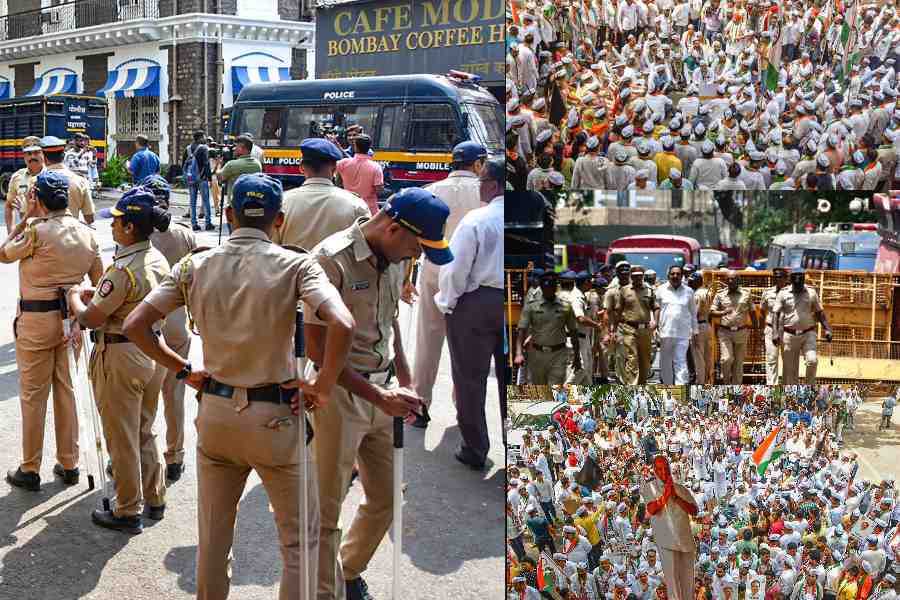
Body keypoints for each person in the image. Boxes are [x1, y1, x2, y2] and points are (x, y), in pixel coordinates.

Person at [123, 173, 355, 599]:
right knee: (298, 545)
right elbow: (341, 322)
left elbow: (136, 324)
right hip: (277, 419)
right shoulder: (296, 264)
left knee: (213, 542)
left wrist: (183, 369)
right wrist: (321, 387)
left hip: (216, 412)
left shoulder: (195, 264)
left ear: (228, 214)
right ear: (279, 220)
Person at [304, 187, 447, 600]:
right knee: (326, 508)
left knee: (385, 499)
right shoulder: (330, 259)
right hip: (340, 393)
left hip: (384, 390)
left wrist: (403, 374)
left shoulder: (396, 257)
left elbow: (390, 319)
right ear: (394, 226)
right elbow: (316, 347)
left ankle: (347, 570)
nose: (416, 257)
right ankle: (324, 589)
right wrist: (377, 394)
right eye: (417, 246)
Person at [65, 188, 171, 533]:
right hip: (152, 349)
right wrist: (97, 296)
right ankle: (155, 498)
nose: (112, 227)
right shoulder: (156, 259)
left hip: (122, 355)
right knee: (144, 429)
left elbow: (92, 318)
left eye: (118, 222)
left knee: (121, 436)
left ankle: (127, 509)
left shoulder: (122, 268)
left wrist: (74, 300)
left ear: (129, 228)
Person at [1, 171, 103, 491]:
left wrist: (26, 217)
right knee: (67, 392)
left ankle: (30, 468)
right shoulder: (88, 235)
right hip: (70, 324)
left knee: (33, 397)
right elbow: (98, 287)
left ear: (40, 200)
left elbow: (3, 253)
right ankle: (69, 462)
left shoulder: (36, 232)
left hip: (35, 322)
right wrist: (79, 320)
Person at [435, 157, 503, 470]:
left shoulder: (478, 220)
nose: (480, 185)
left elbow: (456, 268)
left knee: (470, 379)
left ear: (495, 185)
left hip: (476, 304)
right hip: (513, 302)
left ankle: (475, 449)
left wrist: (447, 302)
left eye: (483, 180)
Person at [413, 140, 487, 427]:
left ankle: (420, 403)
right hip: (471, 275)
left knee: (427, 340)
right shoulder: (485, 193)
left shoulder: (432, 191)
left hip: (434, 268)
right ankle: (463, 407)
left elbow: (415, 238)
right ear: (478, 164)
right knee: (465, 345)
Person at [140, 174, 199, 482]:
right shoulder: (184, 234)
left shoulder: (139, 232)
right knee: (174, 396)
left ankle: (137, 453)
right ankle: (174, 456)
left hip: (148, 325)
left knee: (142, 396)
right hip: (178, 325)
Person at [640, 455, 698, 600]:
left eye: (666, 469)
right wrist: (665, 496)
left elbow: (694, 510)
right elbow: (652, 509)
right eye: (660, 469)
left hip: (685, 539)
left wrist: (675, 496)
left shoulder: (680, 488)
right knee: (672, 582)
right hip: (666, 540)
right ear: (654, 470)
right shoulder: (649, 487)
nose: (664, 473)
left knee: (688, 580)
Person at [515, 271, 581, 385]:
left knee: (555, 389)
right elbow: (521, 330)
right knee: (540, 391)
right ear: (542, 287)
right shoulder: (531, 305)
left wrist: (577, 356)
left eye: (551, 286)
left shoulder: (565, 306)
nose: (549, 290)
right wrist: (519, 353)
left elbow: (573, 331)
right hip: (536, 355)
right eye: (546, 287)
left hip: (558, 354)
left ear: (556, 287)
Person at [773, 268, 833, 385]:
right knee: (790, 371)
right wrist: (775, 333)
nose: (798, 282)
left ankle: (809, 388)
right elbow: (776, 314)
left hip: (808, 334)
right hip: (789, 336)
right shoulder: (783, 293)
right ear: (790, 280)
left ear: (804, 279)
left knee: (812, 360)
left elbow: (819, 312)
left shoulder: (811, 292)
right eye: (795, 280)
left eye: (801, 279)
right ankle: (794, 395)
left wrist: (827, 329)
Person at [608, 265, 657, 384]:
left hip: (645, 330)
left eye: (640, 276)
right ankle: (631, 387)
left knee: (644, 360)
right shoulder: (624, 290)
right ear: (631, 276)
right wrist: (614, 330)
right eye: (635, 276)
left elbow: (655, 307)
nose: (637, 278)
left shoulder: (649, 290)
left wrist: (655, 321)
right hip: (629, 329)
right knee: (632, 358)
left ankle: (641, 385)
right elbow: (618, 311)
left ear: (643, 276)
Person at [710, 270, 759, 383]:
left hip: (741, 332)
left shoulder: (746, 294)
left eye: (733, 279)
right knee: (726, 359)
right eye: (728, 279)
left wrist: (756, 330)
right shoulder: (720, 294)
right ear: (725, 281)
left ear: (738, 280)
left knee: (738, 363)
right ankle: (726, 383)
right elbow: (712, 312)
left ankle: (736, 388)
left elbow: (752, 312)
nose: (730, 281)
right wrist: (722, 313)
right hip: (725, 332)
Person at [655, 265, 698, 384]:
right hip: (665, 332)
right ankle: (668, 388)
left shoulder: (689, 292)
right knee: (666, 363)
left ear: (682, 276)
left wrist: (695, 331)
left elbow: (693, 313)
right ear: (668, 276)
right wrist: (655, 326)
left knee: (680, 361)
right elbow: (655, 309)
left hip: (683, 334)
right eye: (672, 274)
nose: (675, 276)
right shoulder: (661, 290)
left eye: (678, 274)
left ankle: (680, 390)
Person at [41, 136, 95, 225]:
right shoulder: (81, 182)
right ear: (63, 156)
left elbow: (25, 215)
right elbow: (90, 218)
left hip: (44, 236)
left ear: (44, 159)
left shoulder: (35, 182)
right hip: (71, 235)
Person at [214, 134, 262, 225]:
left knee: (235, 235)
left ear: (242, 149)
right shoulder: (257, 164)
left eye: (236, 146)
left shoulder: (232, 165)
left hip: (236, 206)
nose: (234, 149)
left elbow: (220, 178)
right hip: (252, 205)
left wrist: (218, 165)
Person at [335, 134, 384, 215]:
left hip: (347, 208)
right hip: (369, 210)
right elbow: (379, 189)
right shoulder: (376, 167)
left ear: (355, 146)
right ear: (369, 147)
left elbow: (337, 183)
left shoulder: (343, 163)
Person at [6, 136, 45, 234]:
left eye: (36, 153)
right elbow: (9, 206)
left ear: (43, 154)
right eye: (29, 154)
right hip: (25, 234)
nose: (32, 157)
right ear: (24, 157)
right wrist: (11, 232)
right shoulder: (17, 177)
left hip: (48, 235)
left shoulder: (53, 176)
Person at [183, 130, 214, 232]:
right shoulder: (203, 148)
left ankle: (194, 223)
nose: (205, 138)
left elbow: (183, 165)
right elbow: (206, 164)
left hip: (191, 179)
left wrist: (186, 178)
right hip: (202, 178)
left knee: (192, 201)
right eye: (204, 136)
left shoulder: (187, 149)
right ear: (200, 137)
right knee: (205, 201)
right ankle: (208, 223)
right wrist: (209, 178)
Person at [688, 272, 712, 385]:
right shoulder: (709, 292)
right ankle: (708, 381)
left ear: (698, 282)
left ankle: (700, 383)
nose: (690, 282)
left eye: (692, 281)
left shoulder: (697, 294)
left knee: (699, 358)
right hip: (708, 325)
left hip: (698, 327)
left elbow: (695, 314)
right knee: (708, 357)